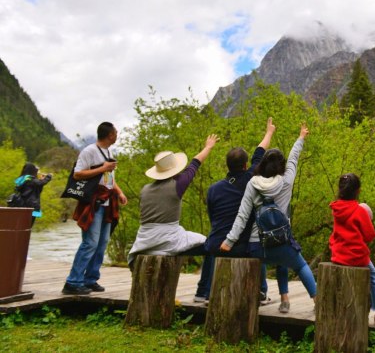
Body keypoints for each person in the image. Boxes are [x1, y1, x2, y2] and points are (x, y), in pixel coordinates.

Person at [220, 123, 316, 314]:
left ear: (262, 164)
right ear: (281, 166)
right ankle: (318, 301)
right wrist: (301, 137)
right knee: (300, 265)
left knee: (261, 261)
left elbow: (243, 215)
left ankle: (269, 299)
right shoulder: (287, 181)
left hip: (258, 246)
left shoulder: (252, 184)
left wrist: (229, 241)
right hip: (281, 241)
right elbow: (294, 158)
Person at [194, 118, 276, 303]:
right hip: (240, 245)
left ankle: (203, 292)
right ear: (246, 166)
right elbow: (260, 152)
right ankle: (261, 292)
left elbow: (212, 216)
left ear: (227, 166)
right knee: (257, 241)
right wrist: (269, 132)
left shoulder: (213, 189)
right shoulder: (250, 179)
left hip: (217, 244)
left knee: (212, 239)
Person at [127, 134, 219, 269]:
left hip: (144, 242)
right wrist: (208, 147)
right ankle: (203, 290)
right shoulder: (178, 185)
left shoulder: (145, 189)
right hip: (169, 240)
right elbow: (195, 163)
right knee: (210, 245)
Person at [63, 122, 128, 295]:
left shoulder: (109, 151)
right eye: (116, 132)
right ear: (110, 135)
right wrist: (103, 168)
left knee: (102, 243)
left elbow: (109, 178)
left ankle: (90, 279)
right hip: (93, 202)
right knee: (90, 243)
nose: (117, 135)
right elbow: (77, 174)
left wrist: (119, 192)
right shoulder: (89, 151)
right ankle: (73, 282)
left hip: (107, 202)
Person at [329, 173, 375, 325]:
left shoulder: (336, 209)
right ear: (358, 191)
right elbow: (369, 236)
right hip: (356, 256)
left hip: (338, 255)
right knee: (373, 275)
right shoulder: (360, 211)